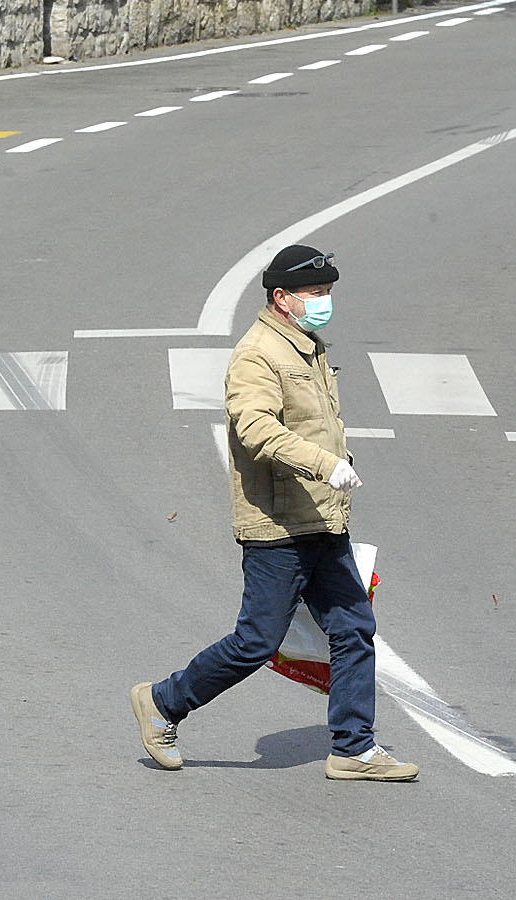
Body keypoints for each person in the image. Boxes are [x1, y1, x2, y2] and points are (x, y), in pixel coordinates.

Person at [131, 244, 418, 782]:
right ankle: (163, 702)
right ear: (282, 298)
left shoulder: (307, 345)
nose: (324, 302)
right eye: (316, 294)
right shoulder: (258, 355)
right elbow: (255, 429)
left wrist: (336, 472)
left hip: (323, 520)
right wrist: (323, 465)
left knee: (354, 627)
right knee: (257, 642)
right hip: (278, 526)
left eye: (328, 292)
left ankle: (354, 749)